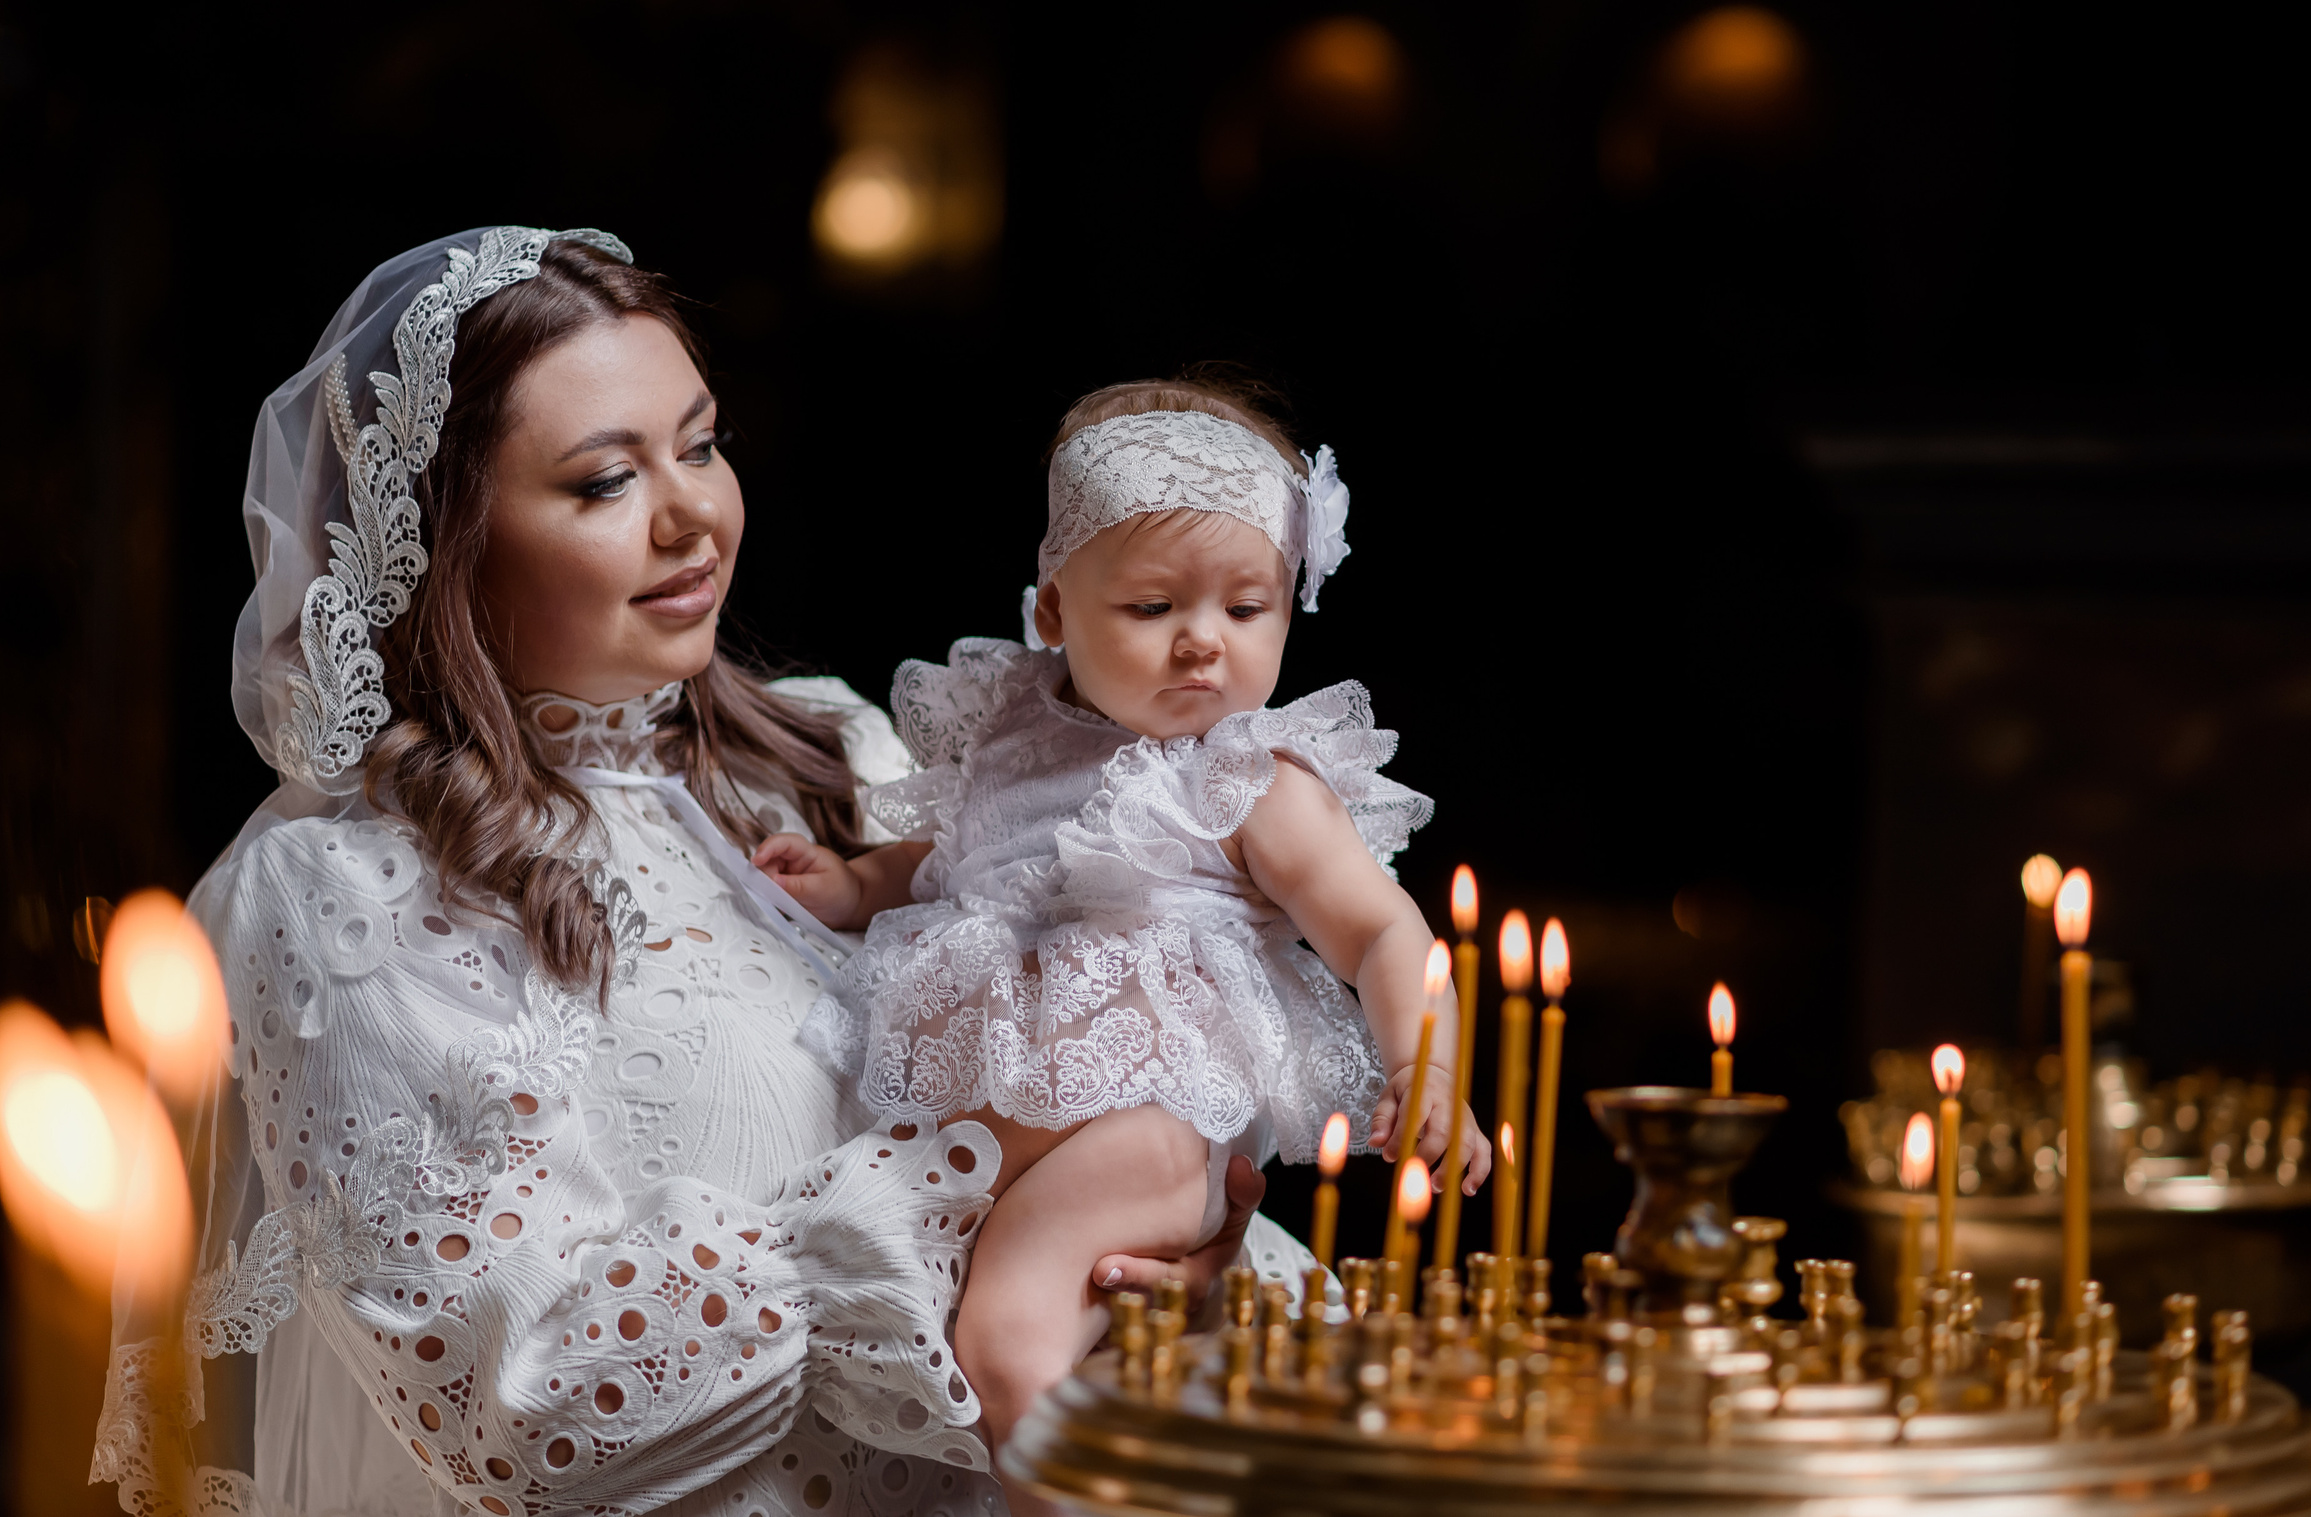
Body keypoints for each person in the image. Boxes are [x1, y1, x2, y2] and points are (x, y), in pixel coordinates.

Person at [92, 232, 1305, 1517]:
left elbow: (1137, 1072)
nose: (694, 515)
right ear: (451, 544)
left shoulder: (844, 758)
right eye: (607, 480)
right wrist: (975, 1162)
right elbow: (522, 1409)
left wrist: (1177, 1242)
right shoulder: (345, 888)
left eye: (703, 443)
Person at [759, 375, 1493, 1457]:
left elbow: (1380, 928)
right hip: (1020, 1126)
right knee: (1041, 1359)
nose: (1203, 641)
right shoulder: (1014, 728)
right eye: (1151, 608)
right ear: (1054, 607)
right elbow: (968, 859)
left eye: (1247, 608)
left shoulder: (1250, 778)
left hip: (1141, 1129)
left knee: (1009, 1347)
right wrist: (855, 884)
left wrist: (1425, 1067)